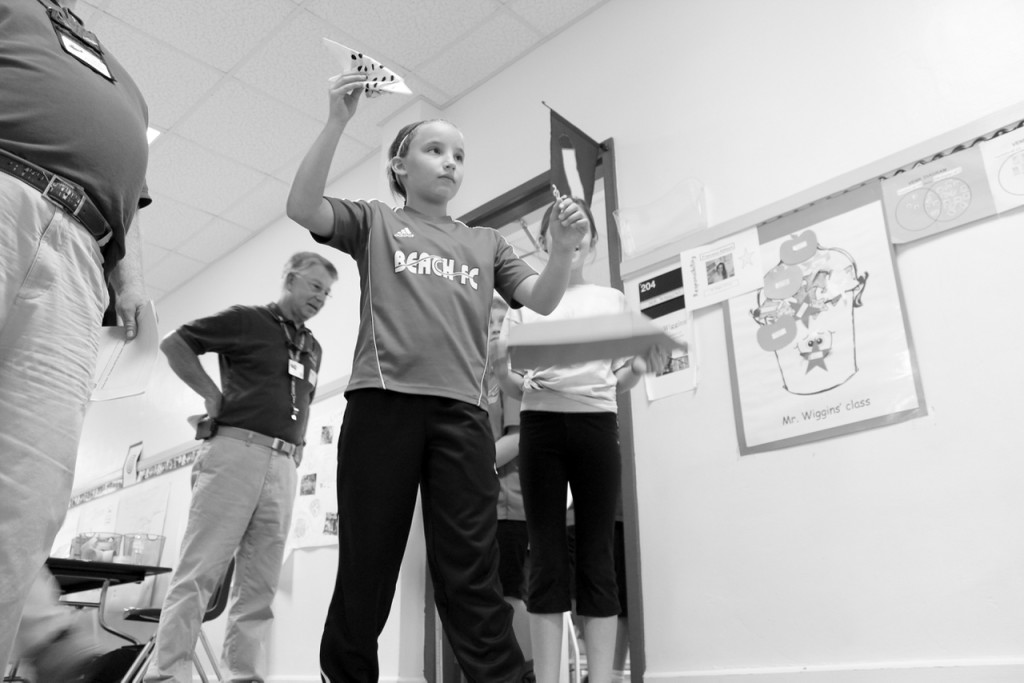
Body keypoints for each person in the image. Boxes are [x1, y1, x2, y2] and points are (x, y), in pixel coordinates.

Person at [285, 69, 590, 682]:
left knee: (471, 570)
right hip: (383, 405)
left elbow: (542, 299)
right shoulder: (375, 221)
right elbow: (302, 207)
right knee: (369, 564)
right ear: (399, 167)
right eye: (434, 150)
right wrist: (338, 121)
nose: (450, 162)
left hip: (463, 418)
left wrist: (560, 251)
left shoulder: (486, 243)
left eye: (459, 155)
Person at [1, 0, 151, 677]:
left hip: (87, 254)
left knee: (29, 495)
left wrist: (132, 277)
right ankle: (46, 629)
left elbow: (134, 196)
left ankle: (34, 635)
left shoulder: (128, 84)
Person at [143, 252, 337, 683]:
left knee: (259, 586)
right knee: (199, 573)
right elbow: (175, 343)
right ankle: (168, 675)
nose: (320, 297)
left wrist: (299, 446)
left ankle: (243, 676)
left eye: (326, 293)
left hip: (283, 465)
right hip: (234, 453)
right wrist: (211, 395)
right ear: (290, 279)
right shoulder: (247, 320)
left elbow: (299, 400)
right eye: (314, 286)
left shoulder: (313, 347)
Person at [494, 199, 651, 683]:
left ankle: (600, 678)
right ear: (545, 241)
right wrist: (503, 371)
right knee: (545, 557)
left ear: (594, 241)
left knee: (598, 555)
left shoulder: (611, 300)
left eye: (582, 228)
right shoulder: (524, 306)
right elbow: (514, 385)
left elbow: (620, 379)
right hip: (540, 429)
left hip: (596, 426)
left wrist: (637, 367)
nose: (572, 235)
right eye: (560, 227)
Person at [488, 296, 532, 667]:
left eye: (499, 324)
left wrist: (469, 467)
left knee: (510, 594)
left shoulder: (511, 372)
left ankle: (526, 672)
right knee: (484, 596)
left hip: (508, 504)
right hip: (478, 502)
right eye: (486, 323)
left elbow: (517, 438)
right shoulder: (473, 372)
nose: (492, 330)